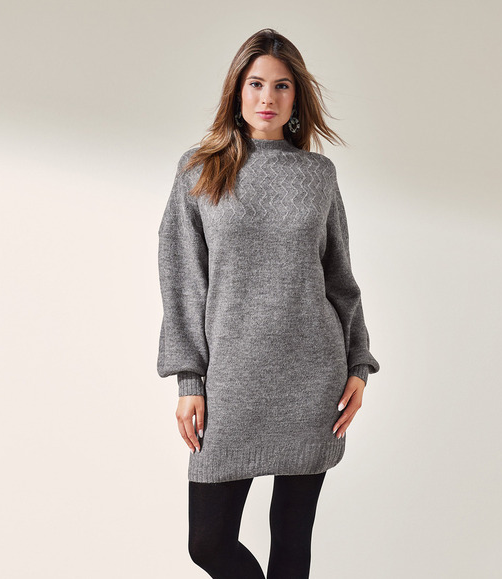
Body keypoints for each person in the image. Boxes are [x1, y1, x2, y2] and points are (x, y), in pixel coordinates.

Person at [156, 28, 381, 578]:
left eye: (282, 86)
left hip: (312, 378)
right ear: (237, 90)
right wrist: (189, 380)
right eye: (256, 84)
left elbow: (340, 279)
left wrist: (358, 363)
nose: (267, 98)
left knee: (292, 536)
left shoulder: (317, 176)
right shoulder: (199, 169)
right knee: (208, 542)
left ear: (297, 97)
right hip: (231, 382)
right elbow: (182, 279)